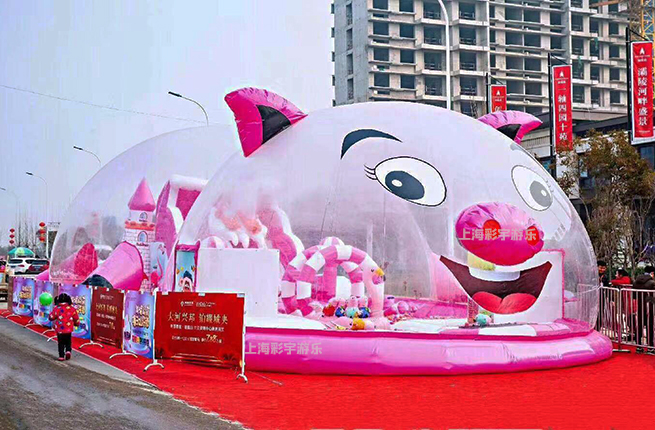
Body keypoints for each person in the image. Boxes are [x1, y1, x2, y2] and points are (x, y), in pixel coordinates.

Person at [48, 293, 80, 361]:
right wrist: (77, 324)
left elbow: (51, 317)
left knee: (61, 342)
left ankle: (61, 356)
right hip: (68, 329)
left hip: (59, 329)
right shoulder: (72, 309)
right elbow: (76, 318)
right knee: (68, 341)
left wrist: (50, 314)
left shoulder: (57, 308)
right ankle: (68, 351)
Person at [633, 266, 655, 349]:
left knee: (639, 324)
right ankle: (650, 346)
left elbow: (634, 295)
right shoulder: (652, 283)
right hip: (650, 306)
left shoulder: (636, 281)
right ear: (652, 273)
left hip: (640, 305)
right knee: (650, 325)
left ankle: (638, 345)